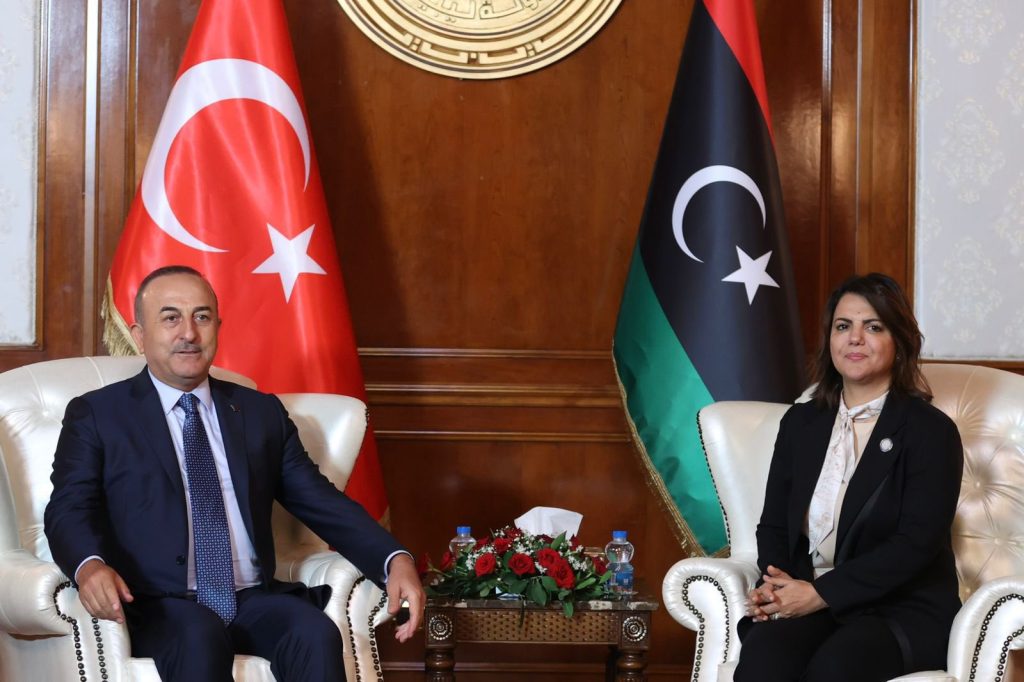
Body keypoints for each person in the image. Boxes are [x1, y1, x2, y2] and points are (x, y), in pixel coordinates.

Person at [44, 265, 425, 682]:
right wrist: (90, 566)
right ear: (139, 335)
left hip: (250, 599)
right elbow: (68, 508)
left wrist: (394, 559)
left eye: (202, 317)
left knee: (313, 632)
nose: (189, 333)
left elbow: (320, 500)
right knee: (199, 635)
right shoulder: (98, 414)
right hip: (158, 605)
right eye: (170, 318)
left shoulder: (260, 413)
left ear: (218, 328)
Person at [734, 273, 963, 682]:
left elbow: (915, 544)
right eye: (843, 326)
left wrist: (822, 593)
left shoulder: (931, 431)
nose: (855, 338)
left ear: (899, 342)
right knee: (764, 660)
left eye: (873, 327)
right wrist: (776, 585)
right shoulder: (801, 422)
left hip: (898, 606)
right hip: (809, 597)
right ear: (830, 341)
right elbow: (774, 525)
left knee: (836, 669)